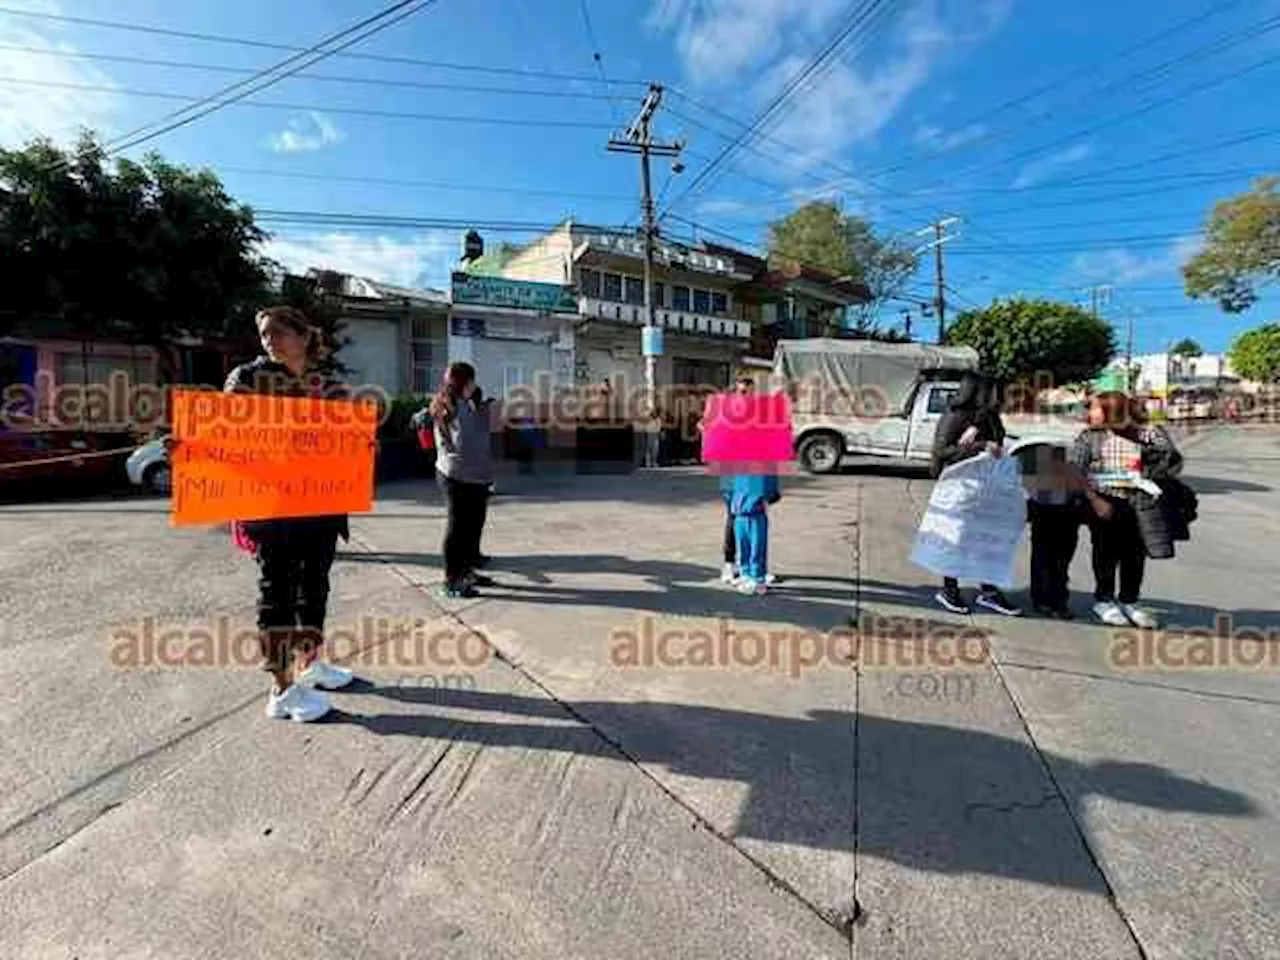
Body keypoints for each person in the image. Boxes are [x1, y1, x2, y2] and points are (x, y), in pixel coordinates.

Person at [224, 305, 356, 723]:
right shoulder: (247, 379)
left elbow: (347, 439)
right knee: (276, 595)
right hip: (271, 508)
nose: (270, 340)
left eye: (279, 332)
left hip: (320, 506)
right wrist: (192, 444)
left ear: (302, 336)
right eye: (264, 333)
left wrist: (362, 445)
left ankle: (310, 664)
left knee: (314, 590)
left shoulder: (327, 384)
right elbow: (224, 431)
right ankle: (281, 690)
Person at [1071, 391, 1182, 628]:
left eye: (1095, 408)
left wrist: (1148, 443)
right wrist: (1094, 500)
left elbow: (1172, 463)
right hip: (1106, 502)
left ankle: (1130, 599)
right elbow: (1075, 472)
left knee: (1135, 554)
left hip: (1141, 503)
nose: (1090, 413)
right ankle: (1104, 599)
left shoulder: (1148, 433)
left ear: (1112, 411)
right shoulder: (1090, 437)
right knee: (1106, 552)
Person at [930, 371, 1022, 616]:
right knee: (956, 539)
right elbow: (942, 451)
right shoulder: (956, 415)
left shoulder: (990, 416)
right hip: (958, 487)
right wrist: (980, 447)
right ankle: (949, 590)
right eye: (996, 391)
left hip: (987, 485)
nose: (1001, 397)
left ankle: (989, 592)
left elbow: (998, 442)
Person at [431, 362, 495, 598]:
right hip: (456, 476)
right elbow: (463, 442)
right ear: (465, 383)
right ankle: (451, 580)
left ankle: (466, 571)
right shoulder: (449, 406)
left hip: (476, 476)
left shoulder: (468, 404)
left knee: (472, 527)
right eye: (472, 381)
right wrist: (481, 412)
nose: (475, 385)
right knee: (458, 529)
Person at [1023, 443, 1087, 619]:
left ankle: (1058, 599)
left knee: (1062, 557)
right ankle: (1043, 599)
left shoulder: (1077, 442)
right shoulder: (1035, 445)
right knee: (1044, 555)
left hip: (1069, 503)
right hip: (1042, 502)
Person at [725, 468, 780, 595]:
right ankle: (746, 574)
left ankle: (758, 578)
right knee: (744, 546)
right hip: (739, 511)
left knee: (757, 547)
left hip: (755, 511)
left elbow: (770, 483)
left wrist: (767, 497)